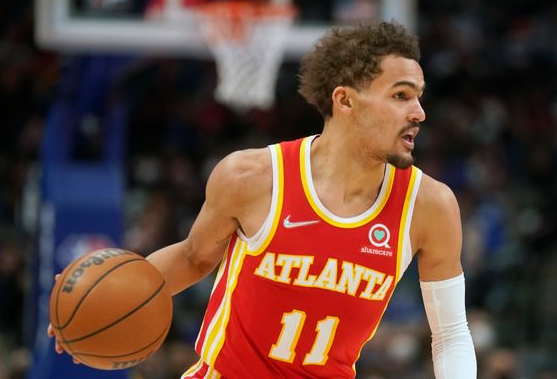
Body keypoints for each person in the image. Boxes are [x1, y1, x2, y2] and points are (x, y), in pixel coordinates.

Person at [51, 20, 477, 378]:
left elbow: (451, 333)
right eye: (401, 95)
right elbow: (194, 257)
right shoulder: (253, 177)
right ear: (345, 100)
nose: (419, 112)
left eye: (419, 96)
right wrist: (96, 303)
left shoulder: (430, 206)